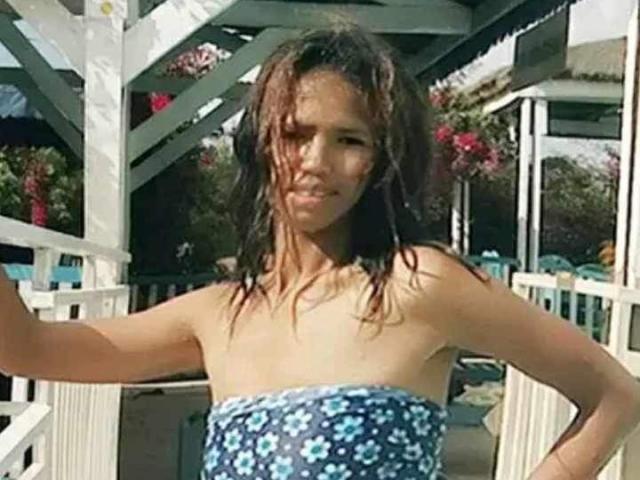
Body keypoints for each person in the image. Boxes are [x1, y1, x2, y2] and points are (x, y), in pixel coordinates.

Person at [1, 25, 640, 480]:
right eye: (295, 133)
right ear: (261, 145)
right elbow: (26, 348)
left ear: (379, 160)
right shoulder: (218, 315)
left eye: (349, 140)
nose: (316, 161)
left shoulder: (419, 284)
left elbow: (615, 395)